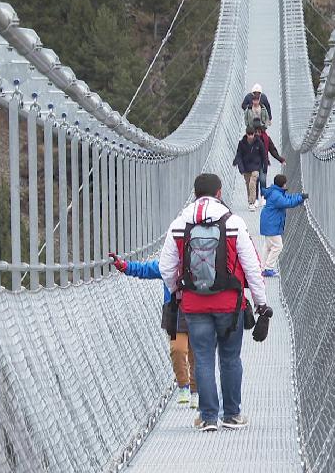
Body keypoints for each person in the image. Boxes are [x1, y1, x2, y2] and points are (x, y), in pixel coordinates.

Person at [158, 173, 270, 432]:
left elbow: (166, 268)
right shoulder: (234, 222)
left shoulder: (179, 224)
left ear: (196, 193)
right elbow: (253, 267)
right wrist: (262, 305)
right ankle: (232, 415)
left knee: (204, 358)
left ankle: (208, 417)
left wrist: (178, 291)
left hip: (194, 304)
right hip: (230, 305)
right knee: (230, 358)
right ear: (220, 193)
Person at [110, 254, 198, 408]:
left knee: (196, 353)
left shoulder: (199, 261)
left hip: (197, 309)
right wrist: (126, 266)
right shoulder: (169, 264)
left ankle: (196, 390)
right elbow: (148, 269)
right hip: (173, 310)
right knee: (177, 349)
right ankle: (183, 386)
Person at [259, 174, 307, 277]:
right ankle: (268, 268)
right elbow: (287, 202)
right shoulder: (276, 195)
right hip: (271, 224)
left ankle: (263, 267)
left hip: (268, 222)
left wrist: (300, 196)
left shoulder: (275, 192)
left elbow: (287, 197)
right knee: (278, 246)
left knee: (268, 246)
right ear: (283, 184)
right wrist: (300, 199)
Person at [233, 128, 267, 210]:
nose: (251, 136)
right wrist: (241, 168)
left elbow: (263, 155)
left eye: (252, 134)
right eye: (249, 134)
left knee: (252, 182)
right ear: (246, 134)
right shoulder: (242, 143)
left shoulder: (258, 143)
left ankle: (252, 202)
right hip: (246, 167)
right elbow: (239, 155)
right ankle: (250, 201)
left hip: (256, 166)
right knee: (248, 185)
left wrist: (264, 167)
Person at [253, 123, 285, 206]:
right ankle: (255, 199)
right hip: (253, 163)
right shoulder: (250, 140)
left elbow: (272, 150)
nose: (257, 133)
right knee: (255, 181)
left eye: (259, 132)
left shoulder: (266, 139)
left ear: (262, 131)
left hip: (263, 162)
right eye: (256, 132)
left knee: (263, 180)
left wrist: (280, 159)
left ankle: (263, 197)